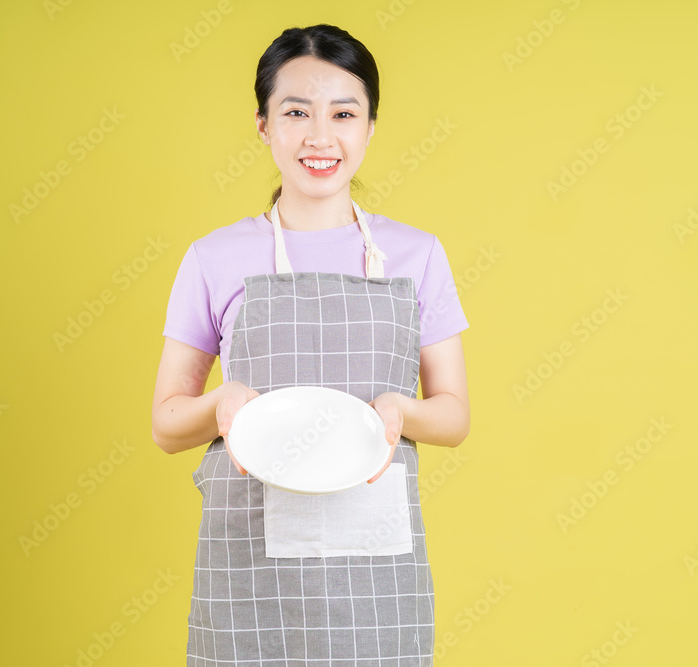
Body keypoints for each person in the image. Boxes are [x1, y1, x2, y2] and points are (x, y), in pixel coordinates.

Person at [151, 23, 470, 666]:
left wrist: (399, 411)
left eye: (343, 113)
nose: (319, 136)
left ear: (371, 127)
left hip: (374, 568)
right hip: (247, 563)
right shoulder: (214, 258)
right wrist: (220, 404)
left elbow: (454, 414)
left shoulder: (417, 255)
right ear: (265, 126)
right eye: (295, 112)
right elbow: (165, 423)